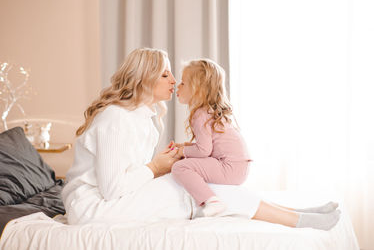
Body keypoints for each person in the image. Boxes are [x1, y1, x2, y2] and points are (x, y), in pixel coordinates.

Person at [62, 48, 340, 230]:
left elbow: (130, 176)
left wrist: (162, 167)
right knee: (207, 187)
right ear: (144, 79)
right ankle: (299, 220)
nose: (173, 80)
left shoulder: (144, 119)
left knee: (204, 183)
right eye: (165, 73)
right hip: (94, 209)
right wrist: (158, 168)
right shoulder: (115, 118)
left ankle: (297, 214)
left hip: (115, 199)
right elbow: (113, 189)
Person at [170, 59, 251, 217]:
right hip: (239, 167)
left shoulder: (200, 114)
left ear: (198, 90)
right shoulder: (208, 112)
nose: (177, 86)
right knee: (186, 162)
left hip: (230, 167)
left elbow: (203, 151)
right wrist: (185, 146)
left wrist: (182, 151)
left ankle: (212, 201)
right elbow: (209, 146)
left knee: (180, 167)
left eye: (183, 83)